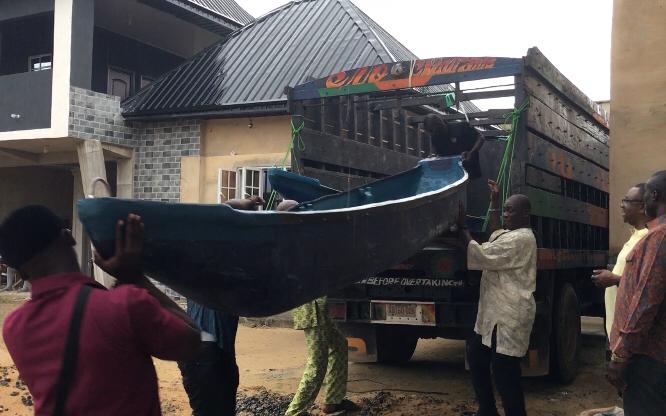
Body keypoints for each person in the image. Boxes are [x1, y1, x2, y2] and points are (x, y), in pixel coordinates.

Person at [0, 205, 201, 415]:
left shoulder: (14, 328)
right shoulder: (125, 305)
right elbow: (196, 344)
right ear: (68, 236)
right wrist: (133, 277)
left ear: (21, 273)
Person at [178, 195, 264, 416]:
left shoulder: (199, 268)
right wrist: (238, 206)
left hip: (212, 357)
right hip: (206, 360)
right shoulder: (223, 270)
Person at [458, 180, 537, 416]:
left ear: (525, 214)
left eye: (509, 210)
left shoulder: (521, 238)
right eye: (504, 209)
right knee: (476, 355)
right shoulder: (509, 234)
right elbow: (494, 234)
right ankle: (487, 410)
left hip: (510, 314)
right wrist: (493, 202)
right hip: (494, 314)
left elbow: (481, 254)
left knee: (505, 373)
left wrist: (461, 228)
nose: (505, 214)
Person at [279, 200, 355, 416]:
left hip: (317, 301)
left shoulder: (298, 236)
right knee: (317, 362)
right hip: (310, 305)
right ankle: (295, 412)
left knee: (339, 345)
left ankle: (333, 400)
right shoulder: (293, 239)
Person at [608, 171, 666, 416]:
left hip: (648, 358)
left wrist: (621, 356)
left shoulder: (660, 237)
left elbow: (645, 301)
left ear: (654, 196)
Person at [592, 183, 653, 338]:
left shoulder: (648, 239)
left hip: (629, 335)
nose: (621, 205)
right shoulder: (636, 236)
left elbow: (647, 286)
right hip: (619, 331)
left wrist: (614, 279)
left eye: (626, 201)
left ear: (641, 207)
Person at [423, 114, 485, 179]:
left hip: (468, 171)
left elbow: (481, 138)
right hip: (449, 174)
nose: (433, 133)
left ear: (440, 124)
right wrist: (434, 158)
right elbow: (438, 154)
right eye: (431, 132)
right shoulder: (434, 137)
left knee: (466, 187)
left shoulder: (460, 127)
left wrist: (471, 153)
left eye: (434, 130)